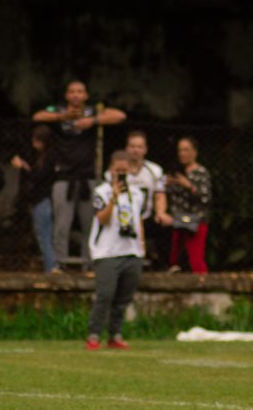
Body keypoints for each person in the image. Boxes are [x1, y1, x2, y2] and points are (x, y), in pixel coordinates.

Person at [33, 80, 127, 270]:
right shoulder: (57, 110)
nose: (76, 95)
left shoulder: (93, 111)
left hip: (88, 177)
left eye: (80, 92)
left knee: (90, 224)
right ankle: (59, 265)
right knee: (62, 225)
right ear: (67, 96)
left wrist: (92, 121)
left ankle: (89, 265)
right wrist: (63, 116)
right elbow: (38, 116)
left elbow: (120, 116)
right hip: (63, 178)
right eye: (72, 92)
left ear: (85, 96)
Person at [86, 150, 145, 351]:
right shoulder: (101, 192)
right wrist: (113, 198)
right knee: (105, 295)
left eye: (124, 171)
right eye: (117, 170)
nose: (120, 174)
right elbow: (102, 218)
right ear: (110, 170)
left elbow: (138, 221)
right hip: (107, 251)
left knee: (123, 298)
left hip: (132, 251)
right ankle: (94, 335)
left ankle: (115, 335)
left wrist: (141, 248)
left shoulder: (137, 194)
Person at [11, 126, 59, 273]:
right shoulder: (41, 156)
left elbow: (38, 178)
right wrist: (26, 166)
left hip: (43, 200)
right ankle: (50, 266)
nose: (34, 144)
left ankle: (51, 267)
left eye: (37, 141)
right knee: (42, 235)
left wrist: (22, 168)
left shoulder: (50, 157)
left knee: (44, 235)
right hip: (38, 200)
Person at [125, 130, 173, 269]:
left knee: (165, 225)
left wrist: (161, 213)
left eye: (139, 147)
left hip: (146, 218)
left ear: (145, 149)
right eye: (132, 146)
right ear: (127, 148)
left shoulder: (154, 170)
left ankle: (163, 267)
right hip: (124, 219)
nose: (135, 150)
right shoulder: (118, 169)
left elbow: (160, 195)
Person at [166, 136, 212, 274]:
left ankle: (206, 289)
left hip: (196, 222)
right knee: (175, 260)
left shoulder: (201, 172)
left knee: (196, 259)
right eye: (180, 150)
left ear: (195, 152)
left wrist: (189, 186)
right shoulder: (177, 172)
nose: (182, 154)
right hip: (177, 220)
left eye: (186, 150)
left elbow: (206, 198)